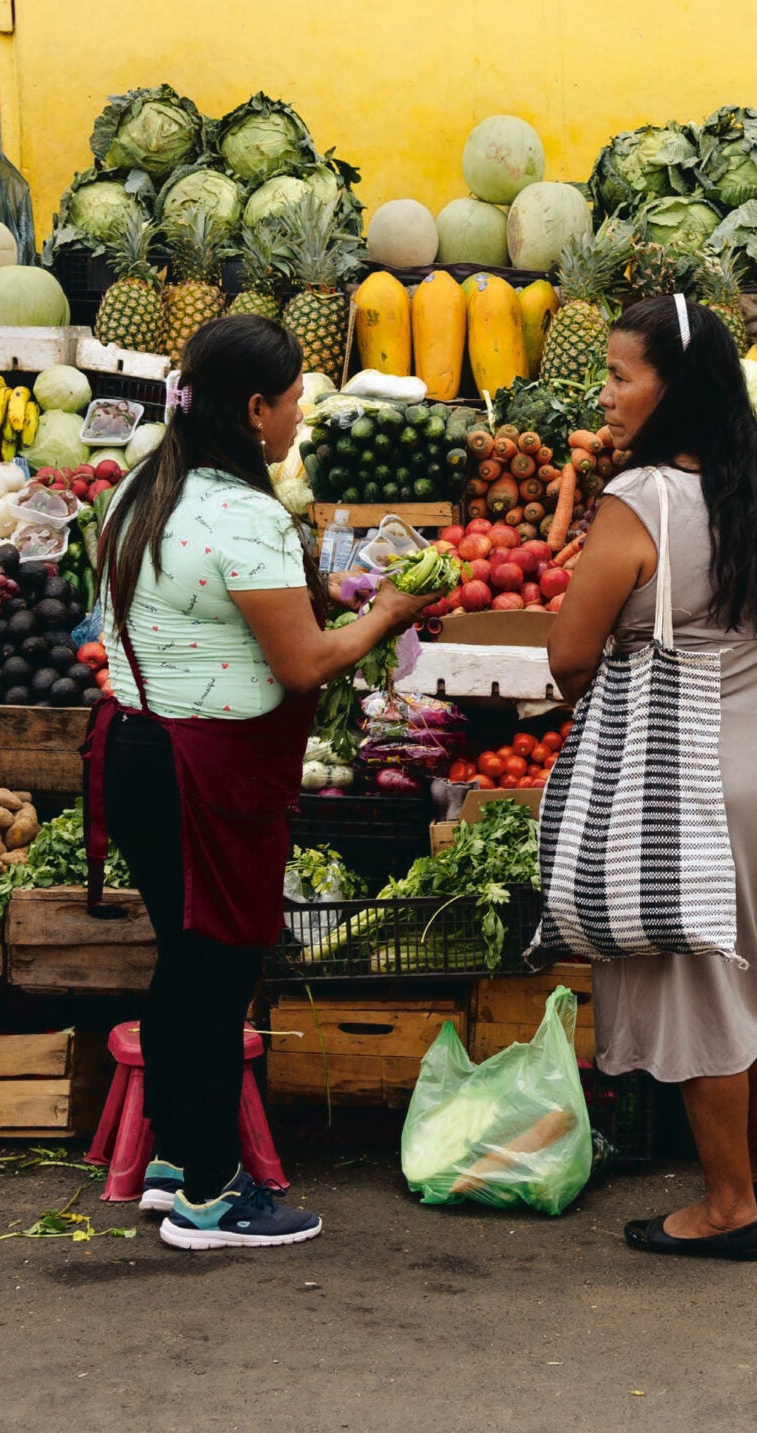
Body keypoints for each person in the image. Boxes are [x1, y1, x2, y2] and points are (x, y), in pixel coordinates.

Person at [87, 315, 442, 1252]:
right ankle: (211, 1193)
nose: (297, 419)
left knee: (184, 959)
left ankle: (175, 1158)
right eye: (292, 402)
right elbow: (303, 663)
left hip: (134, 749)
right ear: (253, 409)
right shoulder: (244, 514)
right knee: (217, 974)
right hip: (206, 772)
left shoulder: (139, 488)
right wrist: (394, 612)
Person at [546, 293, 757, 1262]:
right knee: (754, 973)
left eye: (623, 376)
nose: (609, 393)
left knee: (705, 988)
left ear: (675, 386)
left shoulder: (645, 501)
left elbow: (569, 653)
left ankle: (725, 1207)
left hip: (683, 775)